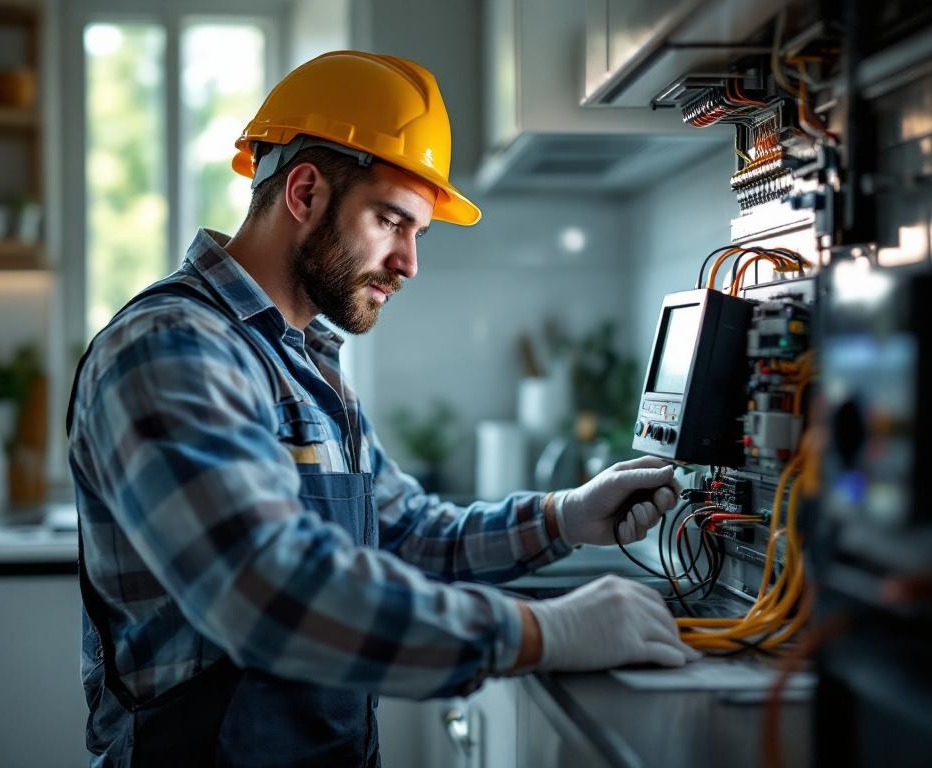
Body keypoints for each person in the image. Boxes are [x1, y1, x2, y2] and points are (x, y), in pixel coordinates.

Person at [67, 50, 697, 768]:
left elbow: (401, 534)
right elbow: (266, 595)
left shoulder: (301, 362)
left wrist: (564, 518)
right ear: (304, 193)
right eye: (392, 222)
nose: (410, 263)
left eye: (417, 233)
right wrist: (539, 632)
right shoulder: (173, 349)